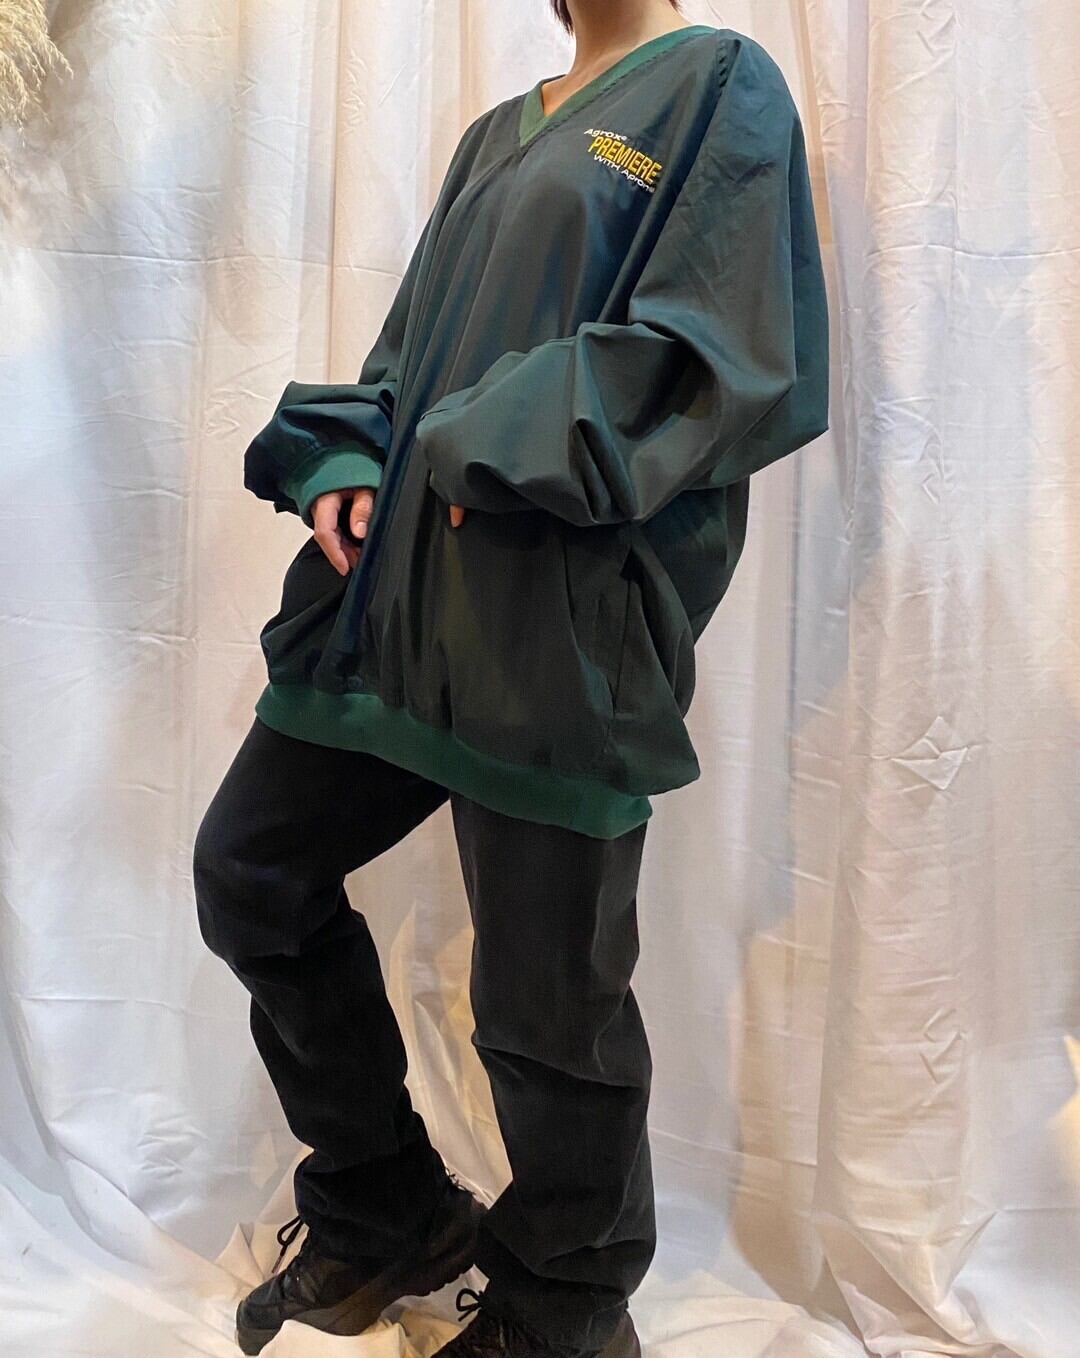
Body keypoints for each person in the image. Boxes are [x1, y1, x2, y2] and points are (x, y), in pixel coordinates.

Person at [193, 0, 830, 1353]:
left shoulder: (720, 86)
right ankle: (384, 1206)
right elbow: (407, 361)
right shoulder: (496, 134)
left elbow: (715, 355)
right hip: (392, 606)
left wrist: (483, 438)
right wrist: (352, 458)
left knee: (547, 1008)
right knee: (252, 872)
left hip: (558, 623)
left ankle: (566, 1309)